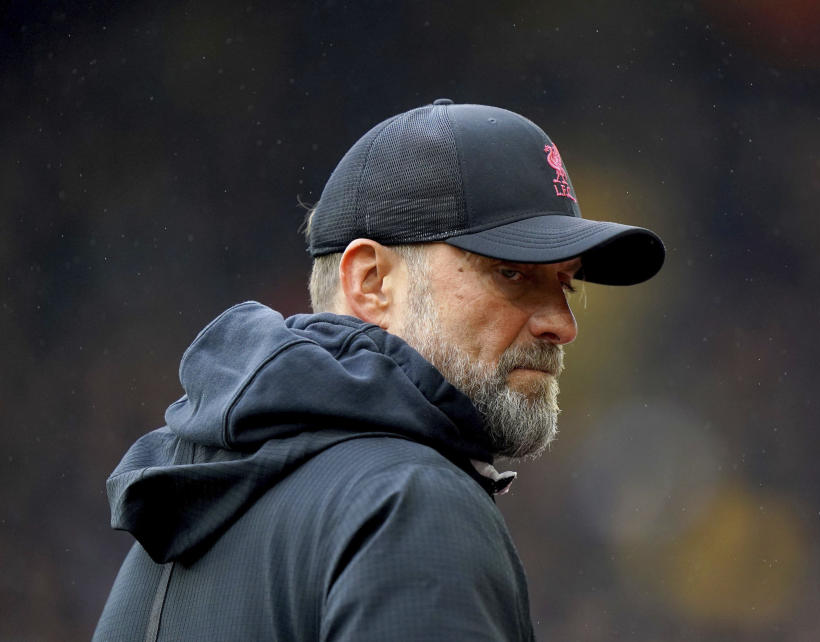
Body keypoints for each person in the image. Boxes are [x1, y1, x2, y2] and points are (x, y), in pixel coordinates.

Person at [93, 99, 664, 641]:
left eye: (564, 283)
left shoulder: (175, 521)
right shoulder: (412, 504)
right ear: (371, 282)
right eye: (511, 273)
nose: (562, 325)